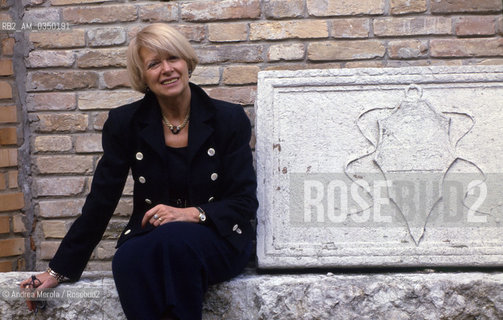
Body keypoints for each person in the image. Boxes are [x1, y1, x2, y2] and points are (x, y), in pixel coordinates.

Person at [20, 23, 258, 320]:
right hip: (153, 238)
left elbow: (244, 201)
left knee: (176, 243)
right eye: (154, 64)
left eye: (173, 58)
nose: (167, 69)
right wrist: (58, 269)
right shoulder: (125, 123)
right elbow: (102, 200)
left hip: (218, 237)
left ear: (187, 62)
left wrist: (190, 214)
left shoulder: (228, 119)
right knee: (128, 259)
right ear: (143, 76)